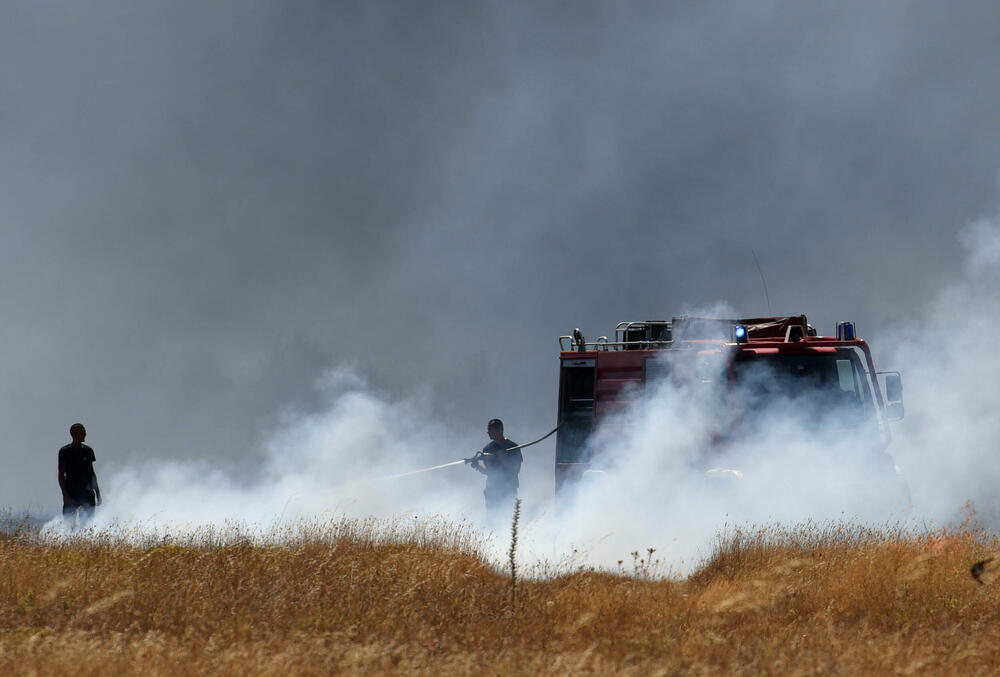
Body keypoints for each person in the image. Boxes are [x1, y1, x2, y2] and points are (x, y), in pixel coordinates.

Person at [468, 418, 522, 522]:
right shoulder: (487, 449)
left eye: (490, 430)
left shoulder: (513, 447)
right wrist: (478, 466)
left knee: (509, 520)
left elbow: (516, 469)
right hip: (492, 491)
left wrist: (503, 458)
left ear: (499, 430)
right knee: (492, 521)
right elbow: (489, 472)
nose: (488, 432)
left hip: (508, 491)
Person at [58, 423, 101, 524]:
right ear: (74, 434)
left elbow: (92, 473)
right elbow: (61, 475)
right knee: (69, 523)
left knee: (87, 524)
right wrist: (65, 495)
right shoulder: (65, 451)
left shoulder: (88, 451)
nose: (85, 434)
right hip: (72, 493)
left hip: (88, 493)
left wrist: (98, 493)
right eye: (82, 432)